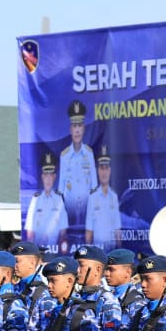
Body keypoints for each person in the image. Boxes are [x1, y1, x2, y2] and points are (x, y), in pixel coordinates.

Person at [59, 100, 95, 236]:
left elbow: (94, 186)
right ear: (70, 129)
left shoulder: (89, 154)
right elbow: (61, 189)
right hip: (70, 209)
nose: (77, 130)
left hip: (86, 208)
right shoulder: (64, 156)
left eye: (80, 125)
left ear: (84, 128)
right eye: (74, 126)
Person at [25, 149, 68, 250]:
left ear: (54, 177)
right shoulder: (36, 199)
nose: (48, 179)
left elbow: (63, 231)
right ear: (42, 177)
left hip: (55, 250)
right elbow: (30, 232)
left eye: (50, 175)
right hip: (38, 250)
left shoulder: (59, 199)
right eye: (45, 175)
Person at [84, 144, 121, 248]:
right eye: (101, 168)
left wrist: (120, 249)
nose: (104, 172)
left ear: (110, 170)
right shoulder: (92, 197)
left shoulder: (114, 197)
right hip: (98, 249)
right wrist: (88, 252)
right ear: (98, 171)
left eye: (106, 168)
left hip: (112, 249)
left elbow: (117, 228)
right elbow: (89, 230)